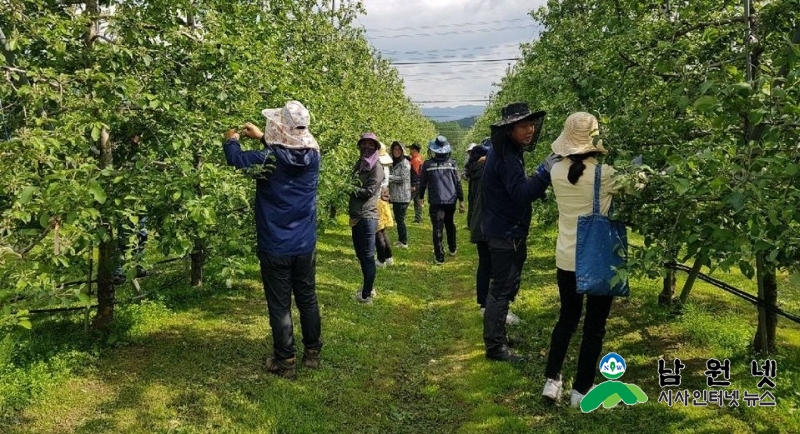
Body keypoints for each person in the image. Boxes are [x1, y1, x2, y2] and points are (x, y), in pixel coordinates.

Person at [222, 100, 323, 379]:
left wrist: (232, 140)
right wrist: (264, 138)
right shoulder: (314, 157)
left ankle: (285, 360)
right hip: (304, 243)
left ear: (279, 128)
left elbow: (236, 159)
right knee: (307, 298)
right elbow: (290, 149)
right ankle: (312, 352)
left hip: (275, 243)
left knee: (280, 304)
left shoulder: (267, 158)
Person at [541, 112, 618, 407]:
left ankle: (552, 380)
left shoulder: (556, 172)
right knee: (595, 326)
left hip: (567, 258)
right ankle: (581, 391)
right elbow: (638, 186)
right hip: (597, 257)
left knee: (567, 319)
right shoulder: (607, 174)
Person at [481, 102, 558, 362]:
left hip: (504, 228)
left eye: (532, 124)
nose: (530, 129)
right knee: (502, 289)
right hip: (505, 232)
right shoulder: (506, 156)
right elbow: (521, 194)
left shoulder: (507, 150)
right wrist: (544, 174)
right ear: (510, 128)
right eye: (524, 125)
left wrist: (535, 182)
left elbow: (515, 188)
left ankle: (499, 336)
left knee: (507, 286)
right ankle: (495, 347)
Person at [349, 132, 384, 303]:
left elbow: (369, 191)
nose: (367, 148)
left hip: (367, 216)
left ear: (376, 148)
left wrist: (348, 187)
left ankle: (366, 295)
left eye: (371, 145)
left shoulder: (376, 167)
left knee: (368, 255)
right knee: (361, 255)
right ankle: (368, 287)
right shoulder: (360, 164)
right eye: (364, 144)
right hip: (357, 215)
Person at [418, 135, 465, 264]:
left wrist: (421, 197)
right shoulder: (452, 164)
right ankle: (452, 247)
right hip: (451, 200)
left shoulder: (427, 164)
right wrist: (461, 200)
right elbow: (458, 183)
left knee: (437, 228)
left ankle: (439, 257)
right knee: (449, 224)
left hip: (435, 200)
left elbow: (422, 183)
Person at [466, 139, 491, 314]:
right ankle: (492, 305)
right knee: (495, 265)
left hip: (478, 221)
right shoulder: (487, 171)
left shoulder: (474, 169)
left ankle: (483, 302)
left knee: (484, 263)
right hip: (490, 222)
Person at [388, 141, 411, 248]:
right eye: (394, 149)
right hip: (396, 196)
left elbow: (403, 178)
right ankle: (401, 239)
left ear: (402, 151)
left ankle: (404, 241)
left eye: (398, 149)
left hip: (402, 196)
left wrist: (388, 177)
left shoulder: (405, 163)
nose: (396, 151)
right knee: (398, 219)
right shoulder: (394, 162)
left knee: (400, 219)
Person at [375, 142, 395, 267]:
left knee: (377, 232)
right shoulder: (385, 167)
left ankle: (381, 259)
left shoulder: (378, 168)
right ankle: (388, 257)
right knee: (382, 231)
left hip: (377, 201)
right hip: (383, 201)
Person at [408, 143, 425, 223]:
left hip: (416, 184)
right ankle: (418, 218)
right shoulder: (419, 158)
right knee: (418, 201)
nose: (409, 151)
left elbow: (416, 173)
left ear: (414, 149)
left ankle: (400, 215)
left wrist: (413, 185)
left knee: (406, 199)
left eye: (410, 149)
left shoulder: (415, 160)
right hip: (420, 184)